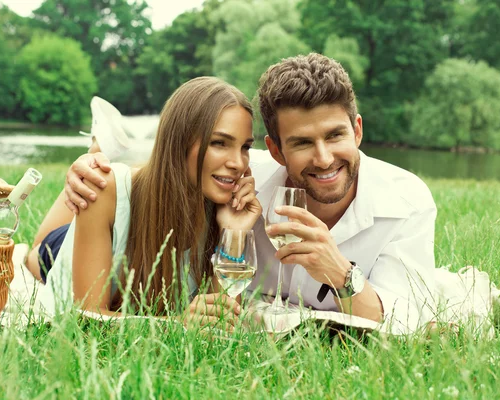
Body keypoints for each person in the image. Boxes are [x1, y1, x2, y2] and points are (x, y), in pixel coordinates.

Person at [64, 54, 437, 333]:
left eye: (335, 135)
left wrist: (338, 271)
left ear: (356, 131)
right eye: (303, 142)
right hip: (90, 235)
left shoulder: (406, 203)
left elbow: (395, 322)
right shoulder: (242, 178)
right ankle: (98, 147)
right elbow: (165, 168)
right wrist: (88, 168)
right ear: (276, 151)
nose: (323, 158)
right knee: (41, 255)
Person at [26, 77, 262, 326]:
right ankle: (97, 150)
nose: (238, 163)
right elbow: (88, 319)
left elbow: (221, 317)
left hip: (141, 197)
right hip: (83, 236)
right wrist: (177, 324)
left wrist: (234, 234)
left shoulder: (222, 203)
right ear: (179, 141)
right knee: (36, 253)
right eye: (219, 143)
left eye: (245, 147)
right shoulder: (107, 189)